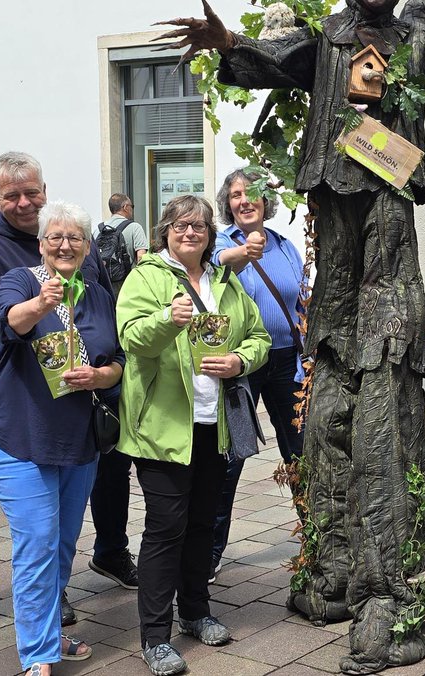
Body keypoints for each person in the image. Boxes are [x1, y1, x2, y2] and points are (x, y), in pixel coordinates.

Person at [156, 4, 425, 668]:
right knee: (328, 411)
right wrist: (228, 41)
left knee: (382, 413)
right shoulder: (328, 39)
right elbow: (272, 61)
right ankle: (333, 569)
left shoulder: (415, 43)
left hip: (388, 197)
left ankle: (390, 595)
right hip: (332, 194)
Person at [0, 152, 136, 620]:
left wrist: (106, 374)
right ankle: (43, 623)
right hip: (22, 407)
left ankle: (98, 560)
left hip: (80, 411)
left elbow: (101, 320)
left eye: (31, 193)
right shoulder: (0, 250)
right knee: (40, 532)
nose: (23, 202)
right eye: (11, 195)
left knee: (82, 508)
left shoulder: (80, 251)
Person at [115, 195, 270, 676]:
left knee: (204, 521)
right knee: (166, 528)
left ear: (209, 234)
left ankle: (196, 611)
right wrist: (168, 319)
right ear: (166, 231)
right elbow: (131, 337)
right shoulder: (146, 277)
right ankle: (155, 636)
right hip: (162, 427)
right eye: (181, 225)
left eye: (199, 226)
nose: (190, 233)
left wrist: (239, 360)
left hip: (214, 423)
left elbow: (259, 337)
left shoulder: (225, 280)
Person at [0, 200, 124, 676]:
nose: (64, 245)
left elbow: (118, 360)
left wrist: (100, 376)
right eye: (55, 237)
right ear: (41, 245)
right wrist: (42, 303)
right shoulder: (21, 280)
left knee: (60, 544)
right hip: (16, 433)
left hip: (76, 439)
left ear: (87, 247)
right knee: (38, 540)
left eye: (74, 237)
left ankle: (50, 632)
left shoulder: (97, 294)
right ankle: (38, 654)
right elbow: (7, 320)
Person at [209, 168, 306, 582]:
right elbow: (214, 268)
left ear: (266, 201)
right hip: (242, 364)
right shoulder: (219, 243)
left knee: (300, 451)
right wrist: (242, 253)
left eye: (252, 193)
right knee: (231, 457)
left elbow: (301, 299)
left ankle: (316, 539)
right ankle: (209, 554)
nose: (244, 200)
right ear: (227, 204)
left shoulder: (285, 246)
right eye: (235, 195)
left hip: (286, 362)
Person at [95, 193, 149, 296]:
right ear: (125, 207)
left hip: (104, 286)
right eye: (132, 206)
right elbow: (141, 257)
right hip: (129, 285)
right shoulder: (135, 227)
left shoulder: (98, 230)